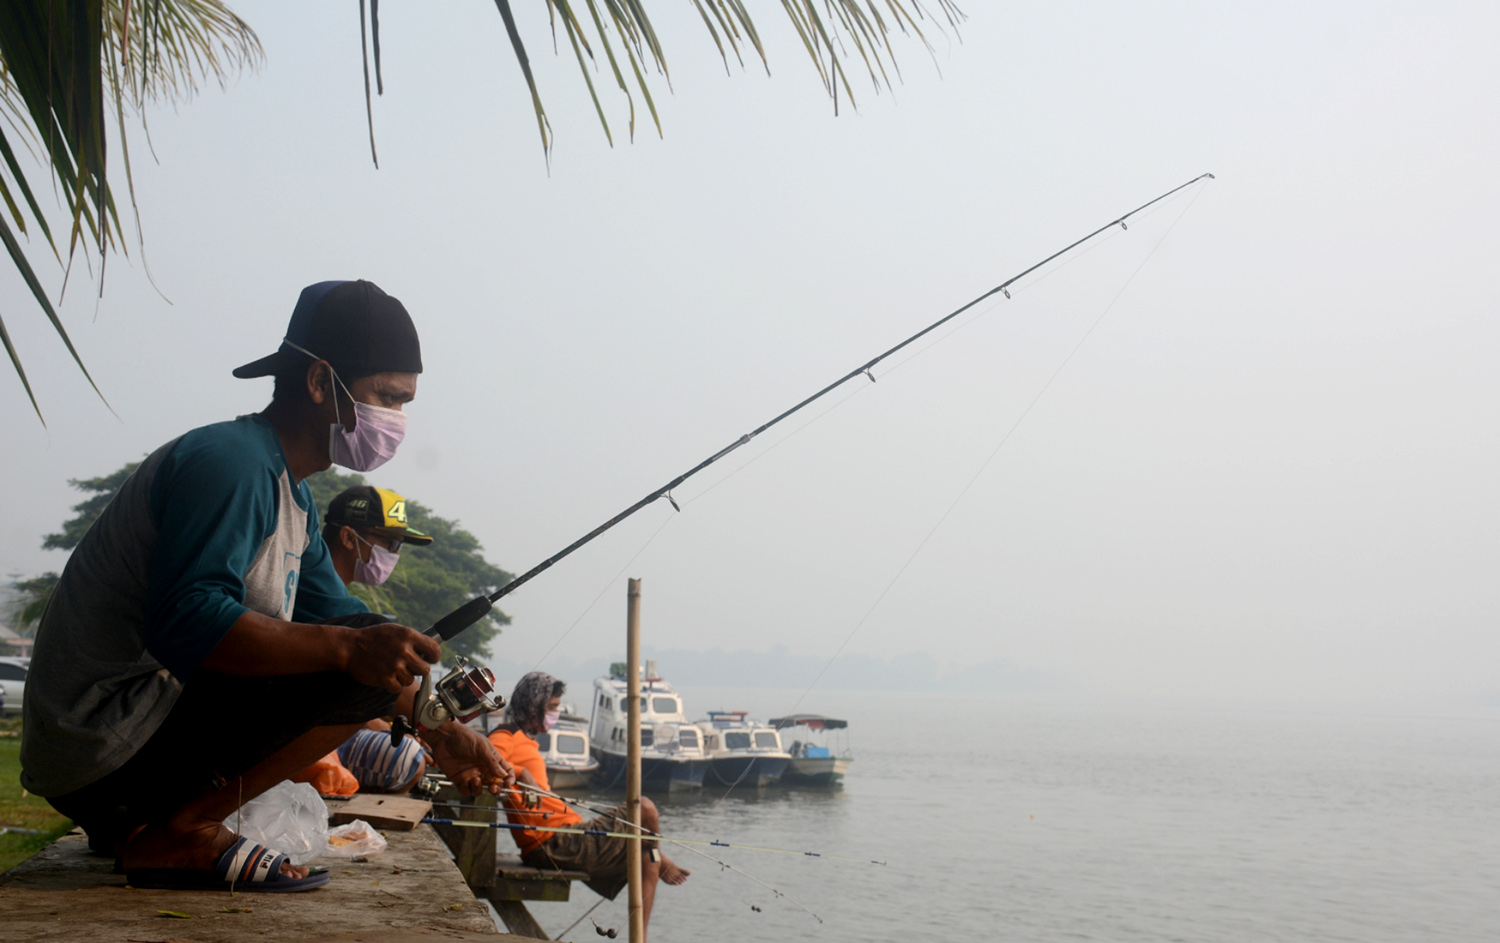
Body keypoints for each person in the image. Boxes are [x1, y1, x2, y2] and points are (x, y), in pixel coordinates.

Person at [21, 280, 513, 892]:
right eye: (387, 397)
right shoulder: (231, 463)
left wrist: (442, 729)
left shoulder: (296, 500)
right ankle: (184, 829)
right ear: (318, 383)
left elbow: (352, 625)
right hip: (100, 741)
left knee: (370, 645)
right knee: (357, 663)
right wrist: (350, 653)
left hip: (121, 755)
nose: (397, 421)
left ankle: (153, 823)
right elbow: (186, 622)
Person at [488, 672, 689, 940]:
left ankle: (641, 933)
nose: (556, 714)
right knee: (646, 809)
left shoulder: (528, 740)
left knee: (646, 856)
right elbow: (484, 760)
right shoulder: (506, 735)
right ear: (532, 705)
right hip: (555, 843)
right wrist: (521, 772)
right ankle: (658, 860)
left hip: (566, 835)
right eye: (552, 707)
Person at [308, 485, 435, 795]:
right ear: (349, 537)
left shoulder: (328, 589)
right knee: (408, 759)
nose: (394, 555)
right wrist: (448, 733)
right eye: (389, 542)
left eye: (399, 546)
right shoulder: (333, 604)